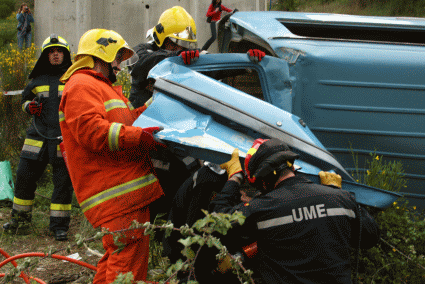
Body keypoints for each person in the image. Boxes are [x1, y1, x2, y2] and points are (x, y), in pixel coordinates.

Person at [58, 28, 166, 283]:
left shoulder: (99, 87)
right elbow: (93, 132)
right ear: (100, 55)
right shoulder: (82, 84)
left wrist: (157, 104)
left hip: (124, 197)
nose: (118, 65)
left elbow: (126, 122)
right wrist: (139, 137)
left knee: (115, 263)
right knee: (127, 269)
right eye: (116, 58)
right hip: (118, 197)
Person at [210, 138, 380, 283]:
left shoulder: (262, 208)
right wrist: (335, 192)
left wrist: (234, 178)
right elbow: (370, 237)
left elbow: (218, 222)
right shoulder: (340, 198)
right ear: (292, 166)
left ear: (263, 180)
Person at [2, 34, 73, 241]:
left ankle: (59, 227)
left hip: (61, 139)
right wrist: (29, 107)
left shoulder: (72, 79)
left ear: (65, 54)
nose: (56, 55)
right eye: (51, 52)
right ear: (45, 56)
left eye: (59, 51)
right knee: (24, 177)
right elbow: (25, 100)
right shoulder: (37, 80)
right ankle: (20, 222)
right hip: (36, 139)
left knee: (62, 183)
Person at [129, 6, 201, 109]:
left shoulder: (189, 56)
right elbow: (138, 62)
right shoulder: (144, 52)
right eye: (174, 44)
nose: (179, 49)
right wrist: (176, 56)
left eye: (184, 45)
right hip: (141, 120)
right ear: (162, 39)